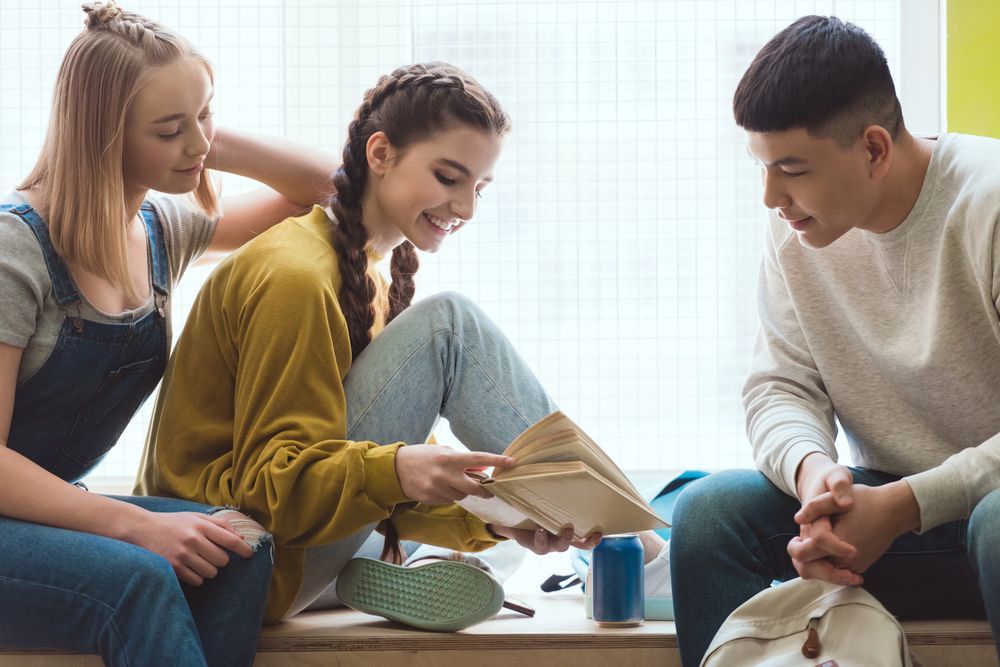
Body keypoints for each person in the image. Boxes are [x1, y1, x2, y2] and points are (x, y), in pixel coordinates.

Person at [135, 61, 606, 630]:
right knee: (449, 327)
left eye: (479, 188)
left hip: (294, 552)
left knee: (495, 514)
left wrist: (495, 517)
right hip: (237, 567)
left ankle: (387, 564)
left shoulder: (368, 271)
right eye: (448, 177)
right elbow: (269, 492)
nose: (465, 209)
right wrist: (399, 472)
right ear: (379, 154)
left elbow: (370, 461)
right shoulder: (297, 276)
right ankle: (626, 542)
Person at [0, 3, 339, 665]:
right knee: (140, 578)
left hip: (41, 517)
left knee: (239, 548)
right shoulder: (15, 251)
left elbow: (329, 188)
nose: (198, 146)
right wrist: (137, 524)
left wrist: (196, 125)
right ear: (102, 136)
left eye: (205, 116)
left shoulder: (160, 228)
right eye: (168, 130)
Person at [669, 15, 1000, 666]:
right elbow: (779, 384)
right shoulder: (797, 227)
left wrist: (906, 504)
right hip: (883, 518)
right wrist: (815, 473)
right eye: (762, 168)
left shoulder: (988, 203)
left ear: (874, 148)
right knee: (707, 514)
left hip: (981, 516)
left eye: (790, 168)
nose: (771, 196)